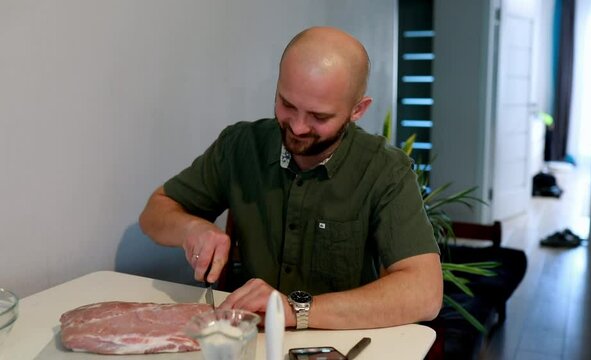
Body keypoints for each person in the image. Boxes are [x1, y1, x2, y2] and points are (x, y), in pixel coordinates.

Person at [139, 26, 443, 330]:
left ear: (357, 110)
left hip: (341, 345)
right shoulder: (241, 146)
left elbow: (425, 293)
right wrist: (191, 228)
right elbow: (155, 212)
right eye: (287, 104)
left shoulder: (385, 170)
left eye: (319, 117)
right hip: (250, 338)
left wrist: (295, 310)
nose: (297, 128)